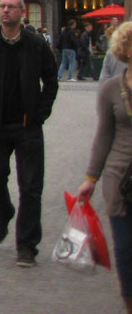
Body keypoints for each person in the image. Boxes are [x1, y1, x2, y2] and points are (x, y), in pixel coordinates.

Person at [0, 0, 59, 268]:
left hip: (26, 127)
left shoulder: (36, 45)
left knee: (31, 187)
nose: (6, 11)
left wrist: (39, 114)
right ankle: (4, 212)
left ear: (23, 12)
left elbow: (51, 81)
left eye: (11, 7)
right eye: (3, 7)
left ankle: (27, 246)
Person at [78, 21, 132, 313]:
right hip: (119, 178)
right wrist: (91, 178)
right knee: (125, 249)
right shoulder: (110, 89)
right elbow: (103, 135)